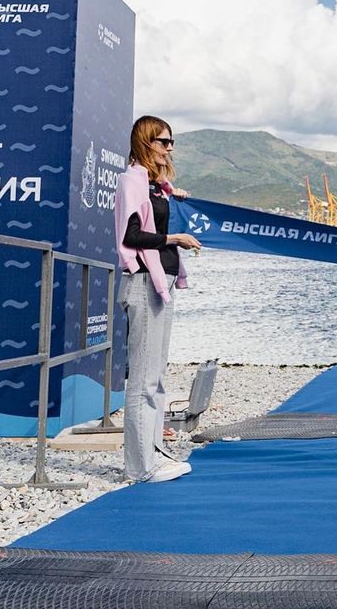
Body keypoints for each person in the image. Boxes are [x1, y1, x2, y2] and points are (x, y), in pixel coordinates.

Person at [115, 115, 202, 483]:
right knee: (143, 380)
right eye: (162, 141)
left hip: (161, 281)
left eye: (172, 142)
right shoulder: (131, 180)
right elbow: (131, 234)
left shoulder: (155, 185)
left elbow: (155, 212)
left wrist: (169, 192)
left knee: (157, 375)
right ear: (145, 142)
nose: (169, 148)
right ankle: (140, 467)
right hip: (143, 283)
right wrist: (174, 239)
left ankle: (153, 452)